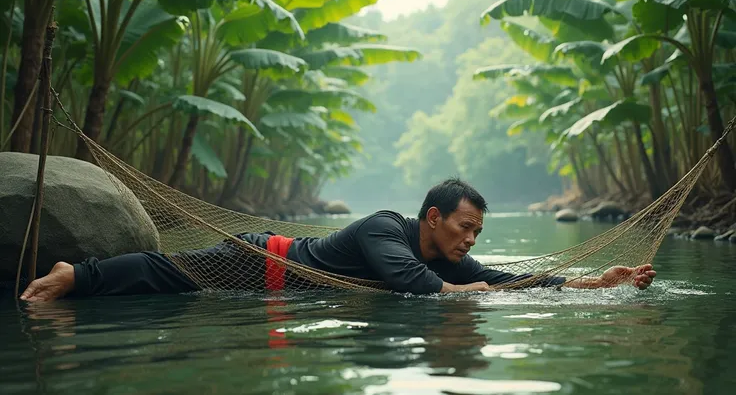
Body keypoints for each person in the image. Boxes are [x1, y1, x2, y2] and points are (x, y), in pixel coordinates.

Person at [20, 178, 656, 302]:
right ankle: (77, 273)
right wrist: (481, 291)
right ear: (433, 217)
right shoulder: (387, 233)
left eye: (477, 232)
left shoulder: (444, 254)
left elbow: (503, 281)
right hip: (255, 262)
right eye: (466, 226)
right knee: (168, 274)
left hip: (273, 297)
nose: (471, 239)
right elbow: (419, 289)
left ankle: (82, 275)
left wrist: (590, 282)